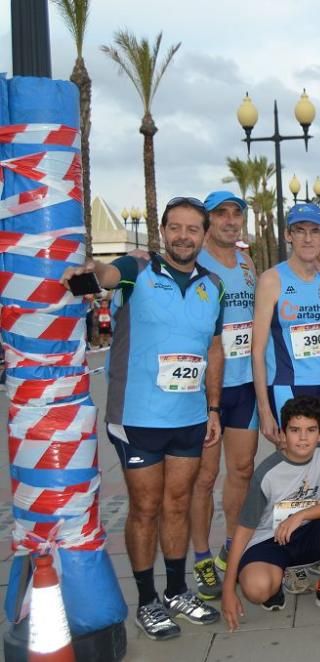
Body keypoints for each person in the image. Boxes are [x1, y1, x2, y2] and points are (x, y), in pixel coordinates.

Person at [60, 196, 224, 641]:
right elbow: (105, 276)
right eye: (176, 227)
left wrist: (212, 408)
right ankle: (147, 600)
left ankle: (175, 590)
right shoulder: (138, 269)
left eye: (193, 229)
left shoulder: (214, 287)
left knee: (176, 504)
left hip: (189, 417)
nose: (184, 236)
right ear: (163, 231)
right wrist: (88, 274)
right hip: (138, 418)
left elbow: (212, 349)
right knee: (146, 508)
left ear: (204, 237)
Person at [221, 396, 320, 630]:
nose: (303, 437)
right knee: (257, 590)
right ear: (283, 434)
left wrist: (301, 516)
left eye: (311, 430)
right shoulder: (266, 473)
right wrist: (227, 589)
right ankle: (275, 582)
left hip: (307, 532)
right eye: (295, 430)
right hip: (271, 539)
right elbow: (243, 531)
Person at [186, 191, 259, 601]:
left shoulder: (247, 264)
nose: (230, 221)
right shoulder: (196, 262)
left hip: (245, 384)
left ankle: (232, 548)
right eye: (221, 214)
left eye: (237, 213)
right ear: (209, 221)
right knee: (205, 478)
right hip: (206, 388)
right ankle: (201, 558)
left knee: (243, 470)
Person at [252, 203, 320, 449]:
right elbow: (257, 350)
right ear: (288, 235)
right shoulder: (271, 280)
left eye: (315, 231)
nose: (308, 238)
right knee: (293, 472)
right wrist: (264, 409)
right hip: (286, 387)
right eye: (300, 230)